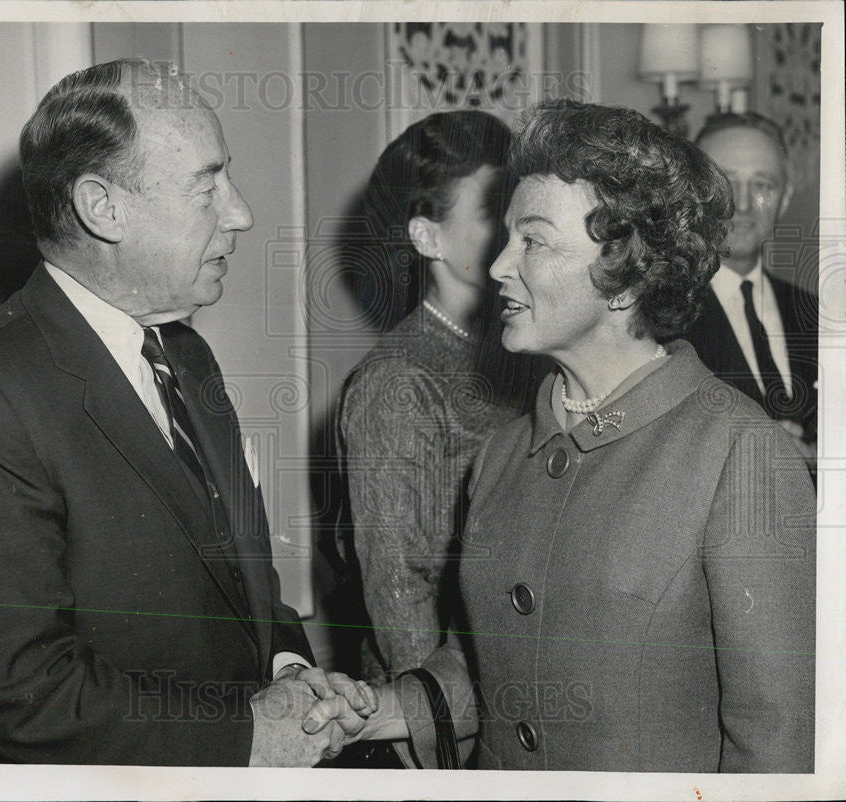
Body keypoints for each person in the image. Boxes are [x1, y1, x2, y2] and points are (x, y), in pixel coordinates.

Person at [0, 59, 372, 767]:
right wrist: (245, 736)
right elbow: (11, 692)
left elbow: (247, 591)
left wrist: (290, 677)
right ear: (102, 207)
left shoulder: (189, 359)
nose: (239, 212)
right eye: (207, 185)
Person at [309, 100, 816, 773]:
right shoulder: (500, 454)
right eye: (505, 236)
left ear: (625, 271)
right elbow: (492, 664)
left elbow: (775, 739)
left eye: (534, 240)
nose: (497, 268)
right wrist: (377, 712)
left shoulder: (740, 455)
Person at [335, 111, 544, 683]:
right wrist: (440, 736)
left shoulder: (530, 349)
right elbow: (399, 592)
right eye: (489, 215)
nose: (513, 234)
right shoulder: (395, 382)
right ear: (426, 236)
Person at [689, 112, 818, 470]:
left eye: (762, 185)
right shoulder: (658, 317)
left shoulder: (819, 314)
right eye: (726, 182)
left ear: (786, 197)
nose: (743, 204)